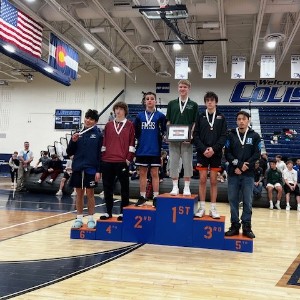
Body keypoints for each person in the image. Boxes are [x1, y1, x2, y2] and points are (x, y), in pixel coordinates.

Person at [224, 111, 261, 239]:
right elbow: (227, 154)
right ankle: (234, 225)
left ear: (248, 121)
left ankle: (247, 227)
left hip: (248, 174)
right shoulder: (230, 135)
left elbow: (257, 154)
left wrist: (246, 166)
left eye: (243, 119)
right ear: (236, 121)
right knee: (233, 201)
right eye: (239, 119)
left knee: (247, 201)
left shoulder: (255, 136)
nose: (241, 121)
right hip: (233, 173)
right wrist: (239, 165)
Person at [193, 91, 227, 219]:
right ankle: (202, 208)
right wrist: (203, 149)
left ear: (216, 102)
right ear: (205, 102)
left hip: (216, 153)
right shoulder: (200, 116)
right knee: (202, 180)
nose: (210, 102)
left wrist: (213, 149)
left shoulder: (221, 117)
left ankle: (213, 208)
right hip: (202, 153)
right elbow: (195, 135)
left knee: (213, 181)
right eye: (207, 100)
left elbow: (224, 136)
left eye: (212, 100)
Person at [67, 109, 102, 229]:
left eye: (91, 119)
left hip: (91, 169)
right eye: (87, 117)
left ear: (95, 122)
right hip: (77, 168)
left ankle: (91, 219)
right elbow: (69, 152)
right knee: (79, 194)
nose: (88, 120)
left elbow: (99, 154)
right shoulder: (77, 134)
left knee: (90, 193)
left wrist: (98, 170)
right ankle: (79, 218)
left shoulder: (98, 135)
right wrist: (73, 141)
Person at [100, 101, 135, 221]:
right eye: (116, 109)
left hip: (122, 161)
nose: (118, 111)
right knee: (107, 188)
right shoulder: (109, 125)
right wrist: (103, 158)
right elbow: (104, 143)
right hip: (107, 161)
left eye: (121, 109)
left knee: (124, 188)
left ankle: (123, 213)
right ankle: (108, 212)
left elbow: (132, 143)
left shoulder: (130, 125)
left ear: (125, 111)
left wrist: (128, 159)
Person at [166, 79, 199, 196]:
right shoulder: (172, 104)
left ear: (188, 89)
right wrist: (168, 135)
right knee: (173, 162)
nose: (182, 89)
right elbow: (168, 121)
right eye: (180, 87)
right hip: (173, 139)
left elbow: (195, 122)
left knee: (187, 162)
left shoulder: (193, 105)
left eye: (185, 87)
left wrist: (191, 135)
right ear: (178, 88)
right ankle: (175, 187)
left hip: (187, 139)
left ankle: (186, 187)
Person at [134, 91, 166, 206]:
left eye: (152, 98)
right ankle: (142, 196)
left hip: (155, 149)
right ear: (144, 101)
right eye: (147, 99)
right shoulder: (139, 116)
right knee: (142, 173)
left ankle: (156, 197)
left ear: (155, 101)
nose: (150, 100)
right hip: (142, 149)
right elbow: (136, 133)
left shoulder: (160, 116)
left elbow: (164, 132)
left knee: (154, 173)